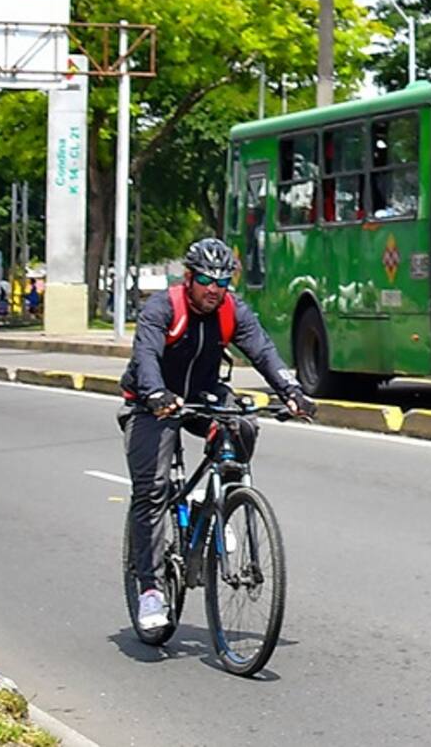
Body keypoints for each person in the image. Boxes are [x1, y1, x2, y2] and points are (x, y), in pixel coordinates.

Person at [118, 237, 317, 632]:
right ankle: (151, 592)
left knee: (242, 425)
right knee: (153, 490)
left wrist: (293, 393)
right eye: (207, 280)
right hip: (150, 402)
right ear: (189, 277)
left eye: (223, 282)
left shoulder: (230, 310)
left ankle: (220, 501)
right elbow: (146, 357)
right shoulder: (163, 307)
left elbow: (263, 352)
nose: (214, 289)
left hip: (202, 397)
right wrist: (156, 394)